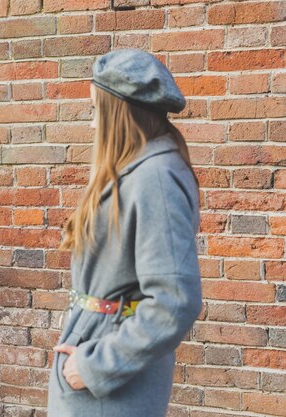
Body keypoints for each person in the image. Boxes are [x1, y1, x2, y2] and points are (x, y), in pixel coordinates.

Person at [47, 49, 203, 417]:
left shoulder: (155, 178)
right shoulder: (139, 170)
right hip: (98, 366)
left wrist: (97, 365)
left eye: (95, 111)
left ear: (118, 114)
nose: (92, 124)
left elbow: (175, 300)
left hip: (110, 384)